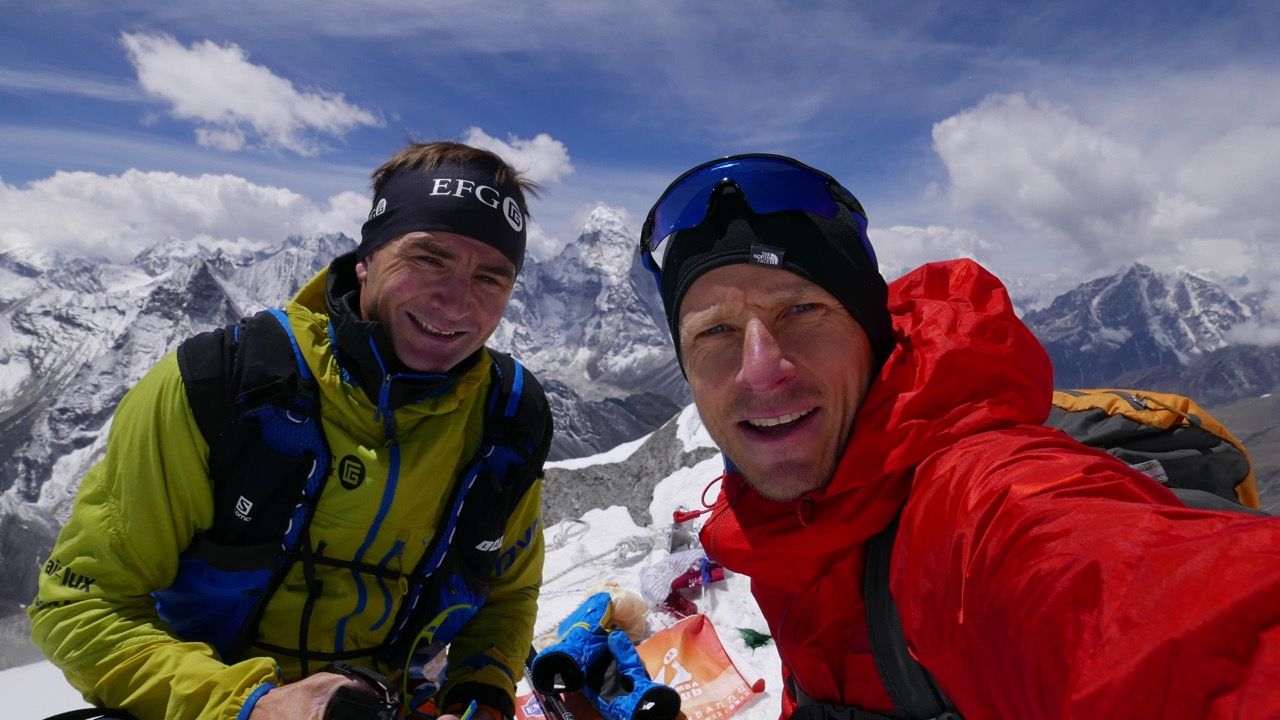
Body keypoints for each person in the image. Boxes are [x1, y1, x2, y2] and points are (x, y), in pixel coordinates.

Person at [638, 153, 1280, 719]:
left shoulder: (980, 507)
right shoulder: (787, 522)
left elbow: (1154, 617)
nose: (760, 368)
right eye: (714, 333)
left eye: (802, 311)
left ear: (872, 330)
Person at [29, 141, 554, 720]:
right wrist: (253, 706)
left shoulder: (507, 421)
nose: (456, 303)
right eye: (428, 258)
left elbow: (508, 591)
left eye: (491, 277)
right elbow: (81, 606)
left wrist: (480, 695)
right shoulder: (222, 387)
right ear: (366, 260)